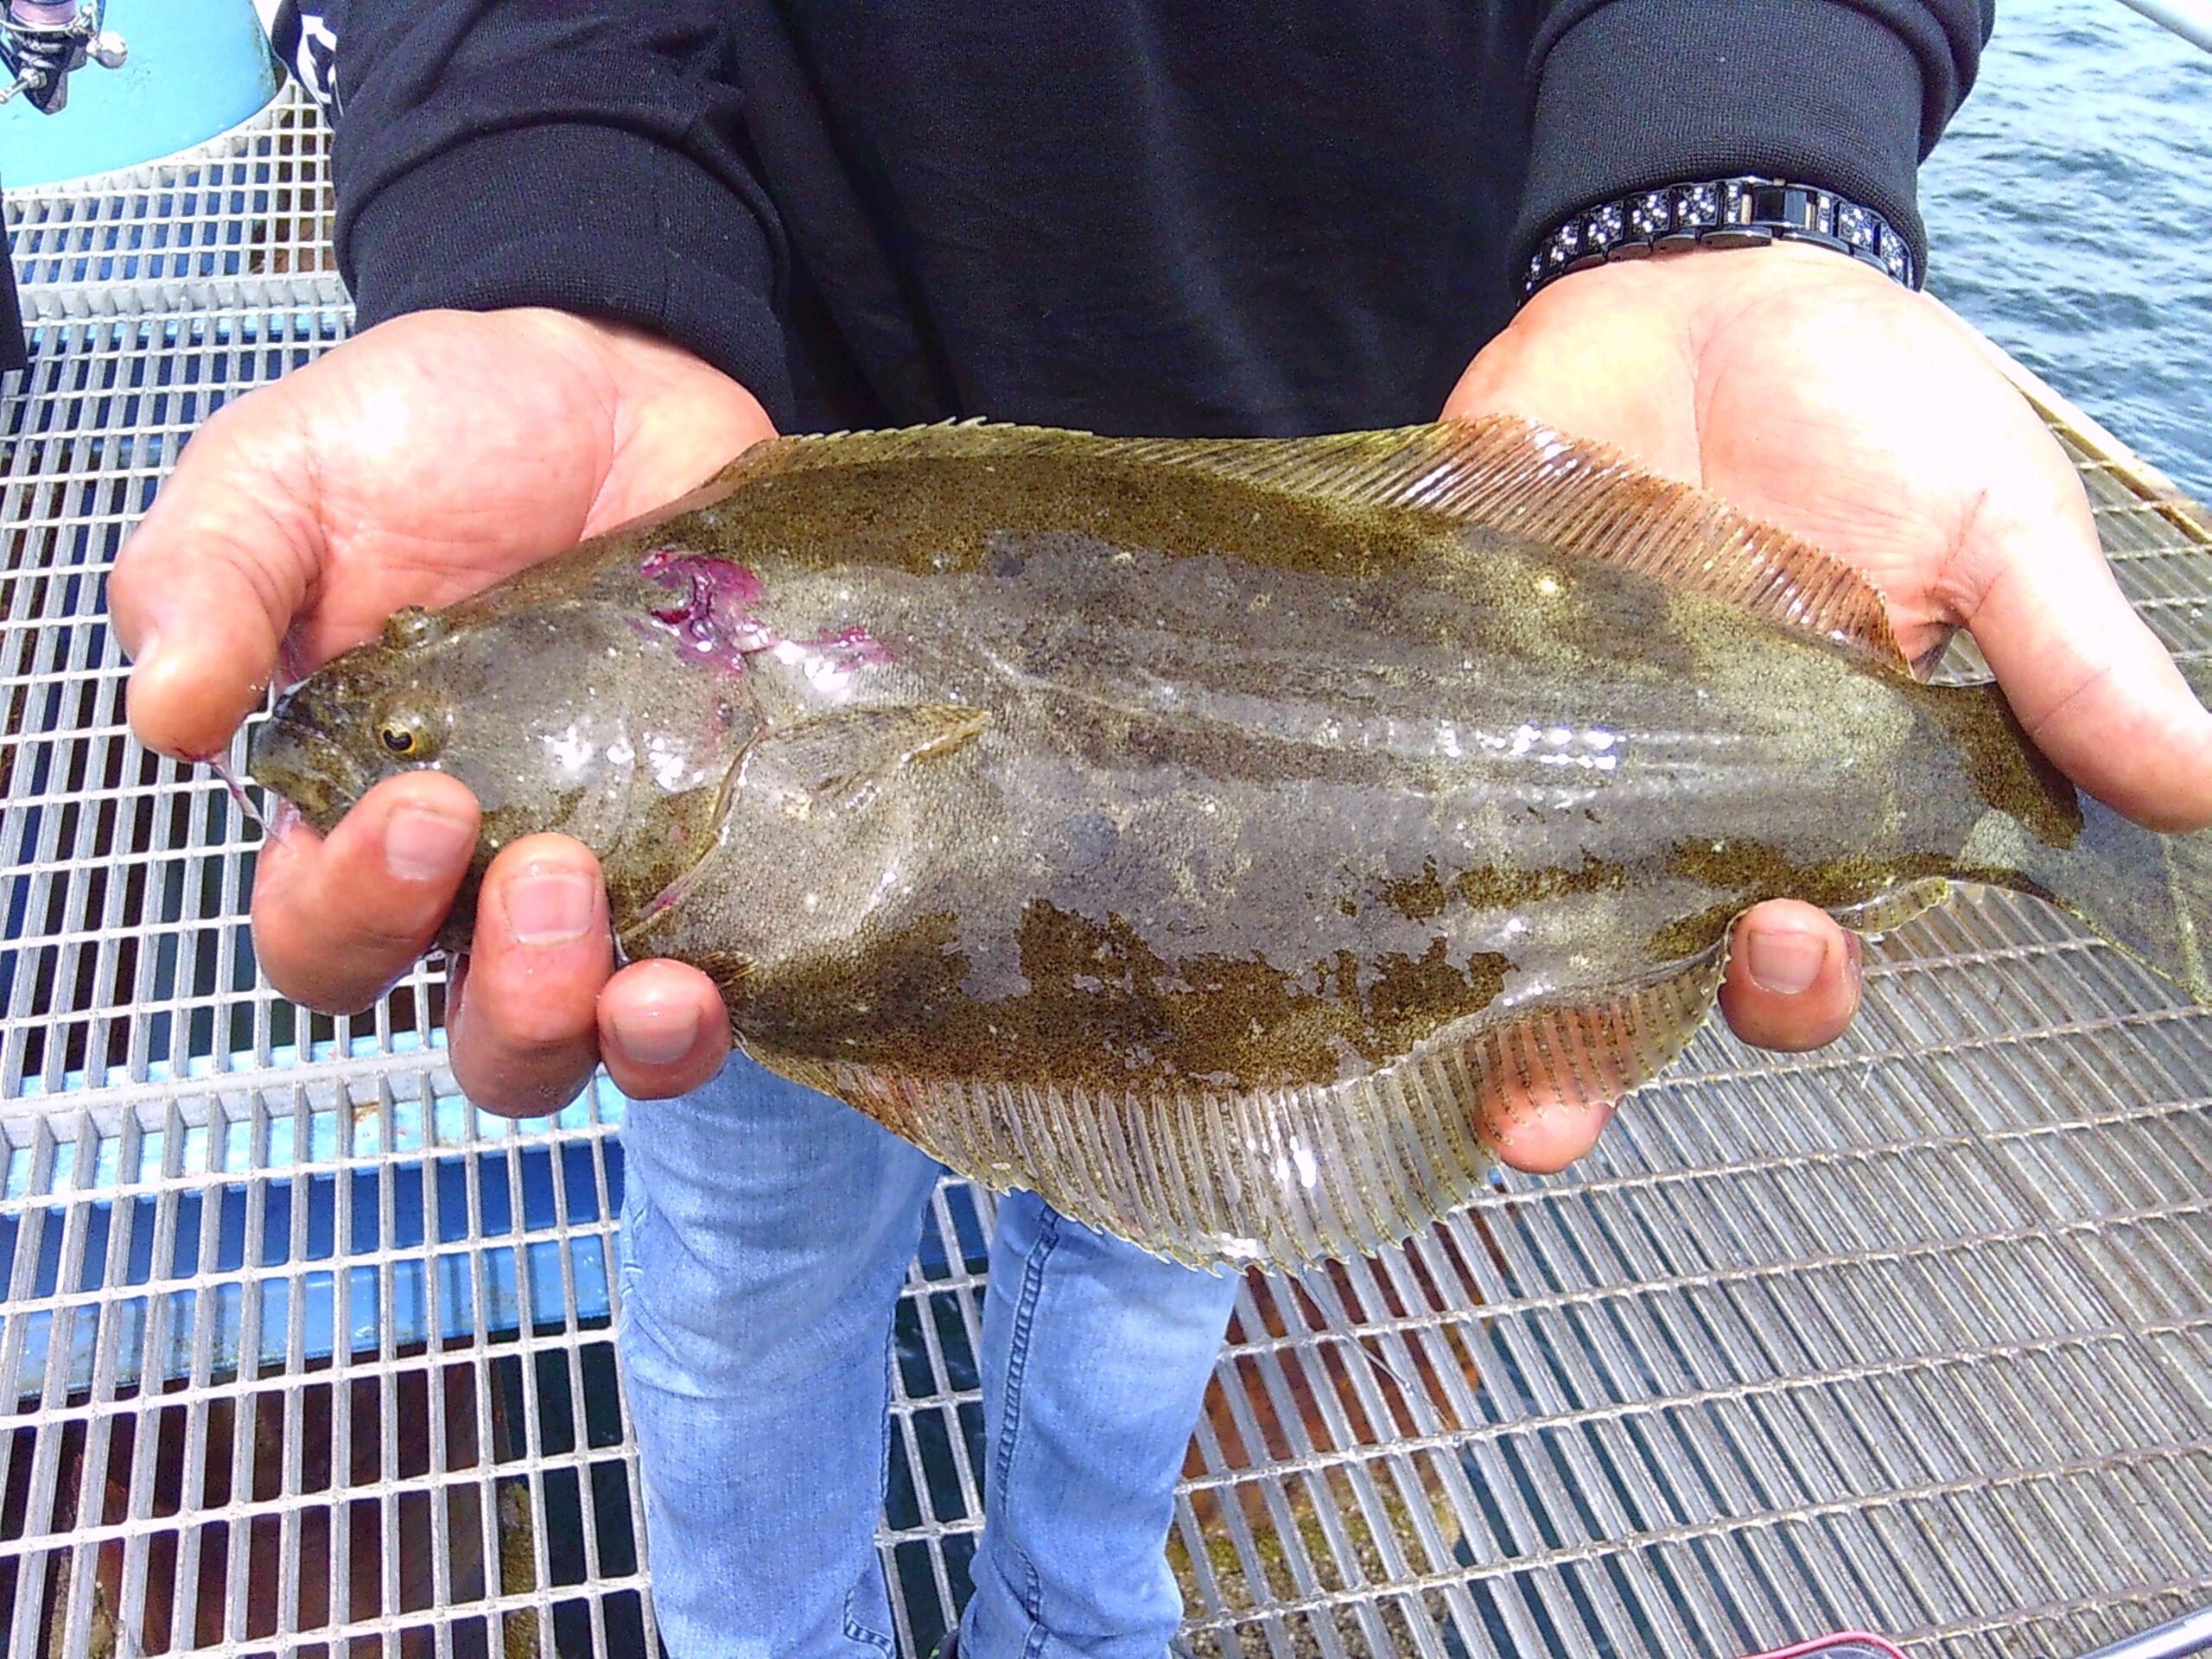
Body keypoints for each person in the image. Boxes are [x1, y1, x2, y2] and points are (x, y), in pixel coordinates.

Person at [110, 4, 2212, 1656]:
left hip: (1457, 419)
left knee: (1146, 1256)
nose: (371, 734)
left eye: (406, 716)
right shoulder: (657, 590)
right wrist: (546, 253)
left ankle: (1073, 1627)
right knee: (767, 1245)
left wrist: (1728, 183)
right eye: (410, 707)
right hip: (742, 399)